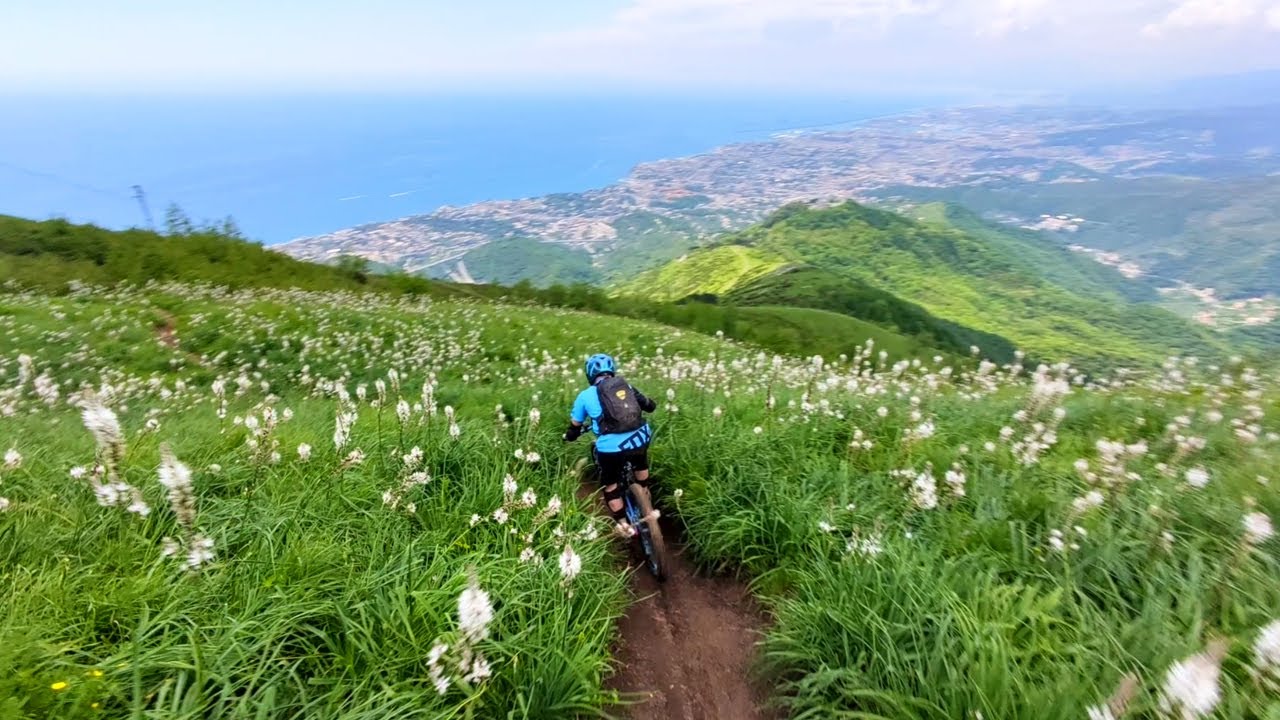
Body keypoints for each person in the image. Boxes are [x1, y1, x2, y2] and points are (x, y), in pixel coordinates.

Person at [563, 353, 657, 535]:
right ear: (612, 370)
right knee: (640, 462)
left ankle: (624, 525)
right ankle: (645, 493)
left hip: (611, 448)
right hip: (641, 437)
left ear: (590, 375)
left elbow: (575, 426)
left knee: (611, 485)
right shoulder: (626, 386)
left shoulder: (585, 396)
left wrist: (570, 435)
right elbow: (649, 406)